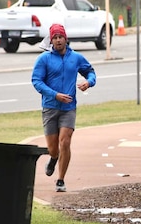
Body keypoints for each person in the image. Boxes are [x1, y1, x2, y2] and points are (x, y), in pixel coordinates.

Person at [31, 23, 96, 192]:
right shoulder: (43, 59)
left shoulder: (76, 58)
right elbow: (36, 81)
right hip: (50, 107)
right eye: (55, 38)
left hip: (69, 108)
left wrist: (88, 82)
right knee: (53, 148)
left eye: (61, 37)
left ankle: (60, 180)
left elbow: (91, 72)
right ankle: (53, 158)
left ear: (66, 39)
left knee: (65, 142)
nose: (58, 40)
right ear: (51, 41)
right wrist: (54, 94)